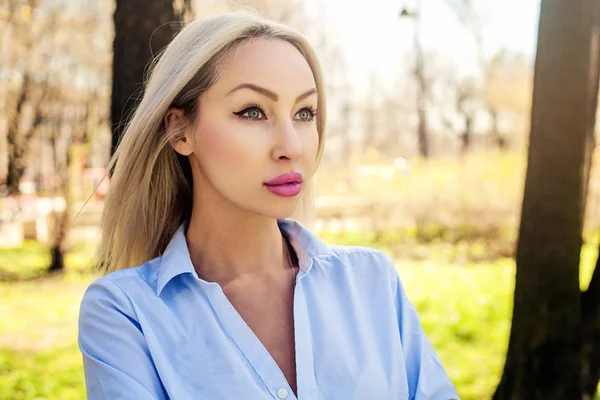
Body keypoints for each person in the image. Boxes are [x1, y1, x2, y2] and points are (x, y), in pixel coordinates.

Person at [78, 11, 460, 400]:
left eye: (304, 113)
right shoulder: (125, 314)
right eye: (253, 111)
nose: (292, 146)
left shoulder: (372, 282)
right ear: (180, 130)